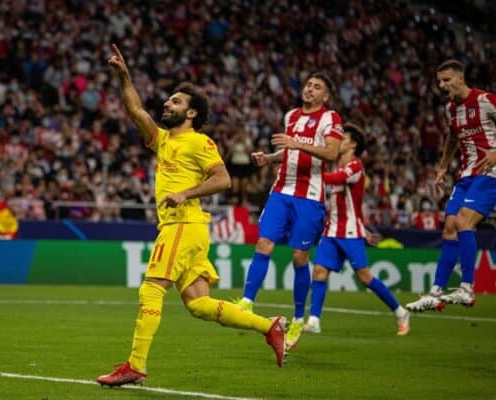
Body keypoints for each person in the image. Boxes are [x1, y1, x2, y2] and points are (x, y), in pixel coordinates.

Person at [95, 45, 287, 387]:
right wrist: (124, 76)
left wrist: (185, 192)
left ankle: (135, 365)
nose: (168, 103)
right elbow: (135, 109)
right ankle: (269, 326)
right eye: (169, 100)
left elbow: (223, 179)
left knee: (151, 290)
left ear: (192, 113)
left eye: (176, 102)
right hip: (187, 229)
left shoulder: (200, 142)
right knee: (198, 305)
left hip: (183, 224)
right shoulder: (164, 140)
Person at [235, 73, 343, 344]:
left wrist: (298, 143)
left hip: (310, 197)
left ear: (326, 96)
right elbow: (289, 153)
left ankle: (297, 319)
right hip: (281, 191)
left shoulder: (331, 119)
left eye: (317, 87)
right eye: (308, 85)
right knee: (263, 243)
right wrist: (269, 158)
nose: (310, 89)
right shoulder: (291, 115)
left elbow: (331, 154)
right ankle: (247, 301)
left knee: (299, 258)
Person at [287, 123, 410, 349]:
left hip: (350, 232)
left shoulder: (355, 167)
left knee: (364, 277)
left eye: (343, 138)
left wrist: (312, 178)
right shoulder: (335, 164)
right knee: (319, 271)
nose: (338, 140)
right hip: (331, 230)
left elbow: (335, 180)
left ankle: (400, 312)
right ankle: (314, 320)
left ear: (353, 144)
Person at [406, 60, 496, 312]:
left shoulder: (486, 100)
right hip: (465, 175)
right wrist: (443, 166)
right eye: (439, 82)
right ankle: (435, 292)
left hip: (490, 171)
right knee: (449, 228)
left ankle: (467, 288)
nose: (441, 86)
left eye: (446, 80)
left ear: (460, 78)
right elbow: (453, 137)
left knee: (464, 222)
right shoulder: (450, 110)